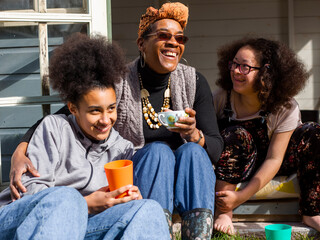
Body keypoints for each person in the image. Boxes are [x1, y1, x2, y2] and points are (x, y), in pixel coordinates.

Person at [9, 2, 223, 239]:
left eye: (180, 38)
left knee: (191, 154)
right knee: (157, 152)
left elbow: (214, 147)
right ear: (142, 43)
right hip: (144, 171)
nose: (173, 42)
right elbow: (62, 116)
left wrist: (193, 134)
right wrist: (21, 150)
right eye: (163, 35)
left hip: (181, 176)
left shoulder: (191, 83)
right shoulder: (116, 81)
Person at [0, 33, 170, 239]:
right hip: (20, 219)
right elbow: (32, 194)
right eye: (95, 111)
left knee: (148, 208)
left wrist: (123, 201)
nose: (106, 120)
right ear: (72, 108)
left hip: (80, 227)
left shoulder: (122, 148)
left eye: (111, 109)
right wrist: (87, 203)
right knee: (66, 197)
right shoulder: (54, 128)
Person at [212, 37, 320, 234]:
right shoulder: (221, 98)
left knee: (314, 132)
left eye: (245, 67)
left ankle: (312, 212)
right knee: (236, 135)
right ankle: (224, 211)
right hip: (239, 163)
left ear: (266, 73)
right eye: (234, 63)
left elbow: (274, 158)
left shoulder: (285, 106)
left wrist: (242, 195)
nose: (236, 71)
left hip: (274, 160)